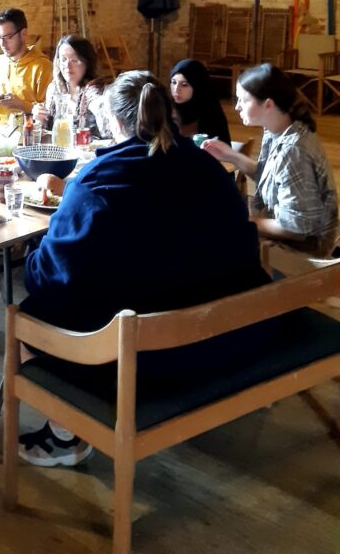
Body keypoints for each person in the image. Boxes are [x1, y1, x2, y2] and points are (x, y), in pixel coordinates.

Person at [19, 70, 269, 467]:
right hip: (236, 329)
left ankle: (65, 435)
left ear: (114, 122)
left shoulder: (96, 183)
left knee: (31, 310)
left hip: (154, 356)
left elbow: (49, 278)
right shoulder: (207, 168)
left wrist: (33, 252)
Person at [203, 63, 338, 255]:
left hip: (305, 250)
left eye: (243, 100)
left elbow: (296, 229)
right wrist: (230, 155)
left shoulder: (293, 150)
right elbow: (271, 177)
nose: (237, 106)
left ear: (268, 104)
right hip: (294, 234)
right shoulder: (280, 129)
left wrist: (245, 222)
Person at [0, 8, 53, 122]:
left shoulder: (43, 66)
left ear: (23, 34)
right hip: (1, 131)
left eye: (8, 37)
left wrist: (21, 105)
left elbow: (49, 112)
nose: (2, 43)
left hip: (30, 133)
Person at [32, 34, 100, 136]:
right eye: (63, 59)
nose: (67, 66)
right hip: (58, 150)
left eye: (74, 60)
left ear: (87, 62)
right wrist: (39, 118)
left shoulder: (94, 91)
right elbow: (46, 130)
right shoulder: (54, 88)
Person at [169, 58, 231, 145]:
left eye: (184, 85)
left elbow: (221, 150)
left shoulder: (211, 114)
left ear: (197, 86)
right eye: (174, 82)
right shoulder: (166, 111)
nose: (176, 89)